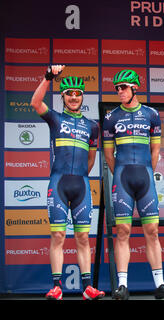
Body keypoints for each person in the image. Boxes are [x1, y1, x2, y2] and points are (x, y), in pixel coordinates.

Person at [30, 65, 104, 300]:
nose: (74, 97)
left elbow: (91, 159)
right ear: (62, 96)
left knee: (83, 238)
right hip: (59, 183)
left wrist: (80, 175)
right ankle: (56, 287)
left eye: (78, 93)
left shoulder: (92, 126)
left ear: (82, 97)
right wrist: (48, 78)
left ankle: (87, 288)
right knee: (58, 236)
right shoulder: (55, 118)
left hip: (81, 185)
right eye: (69, 93)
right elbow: (35, 103)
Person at [102, 69, 164, 299]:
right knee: (123, 231)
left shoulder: (151, 114)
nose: (119, 91)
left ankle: (160, 285)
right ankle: (122, 285)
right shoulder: (111, 117)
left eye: (123, 87)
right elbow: (108, 154)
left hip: (145, 177)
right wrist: (121, 175)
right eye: (117, 88)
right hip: (122, 178)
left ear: (135, 87)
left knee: (152, 231)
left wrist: (146, 171)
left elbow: (156, 150)